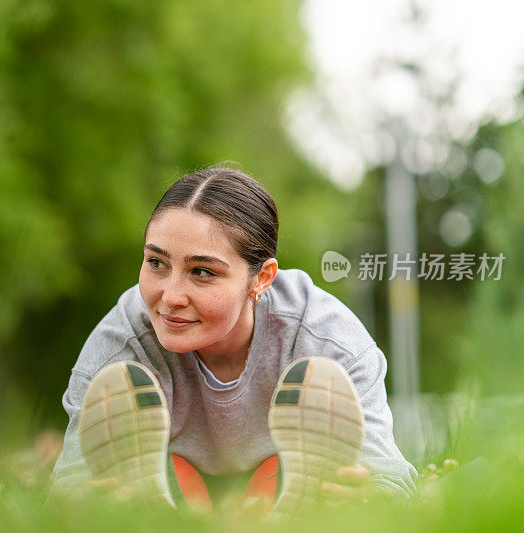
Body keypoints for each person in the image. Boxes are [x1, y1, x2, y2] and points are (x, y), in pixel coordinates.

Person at [49, 167, 417, 512]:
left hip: (278, 486)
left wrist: (368, 496)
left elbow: (390, 480)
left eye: (202, 272)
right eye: (157, 263)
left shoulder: (329, 340)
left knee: (276, 472)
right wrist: (91, 501)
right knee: (173, 471)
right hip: (175, 486)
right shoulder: (121, 345)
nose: (171, 296)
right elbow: (66, 492)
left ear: (261, 279)